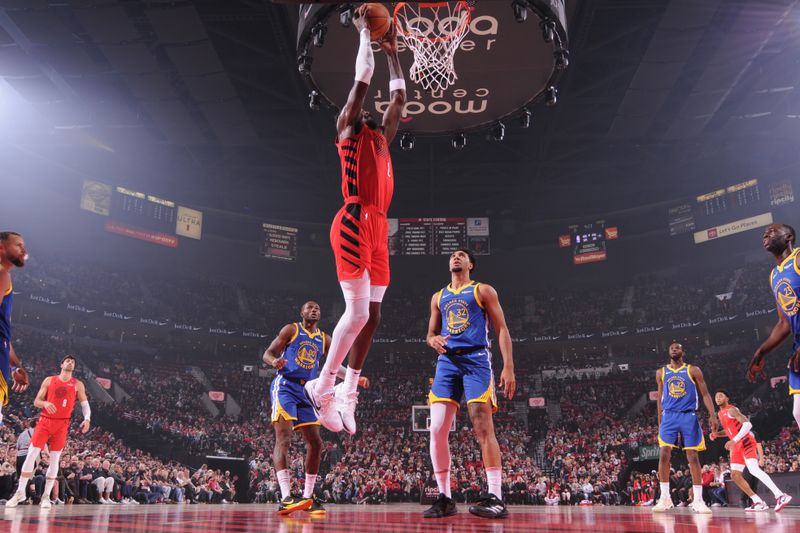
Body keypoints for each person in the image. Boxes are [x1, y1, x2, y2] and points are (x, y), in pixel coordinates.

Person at [304, 5, 405, 435]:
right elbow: (361, 82)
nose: (366, 110)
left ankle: (348, 390)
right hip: (353, 217)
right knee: (357, 312)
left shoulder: (383, 138)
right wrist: (364, 35)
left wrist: (393, 52)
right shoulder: (349, 130)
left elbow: (398, 97)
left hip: (380, 225)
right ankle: (323, 384)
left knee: (374, 316)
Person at [422, 248, 516, 519]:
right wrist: (432, 340)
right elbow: (430, 332)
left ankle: (496, 496)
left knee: (482, 425)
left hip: (476, 359)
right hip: (447, 363)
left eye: (462, 255)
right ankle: (445, 498)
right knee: (437, 428)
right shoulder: (438, 297)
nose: (456, 257)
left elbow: (501, 329)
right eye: (452, 255)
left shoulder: (483, 290)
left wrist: (508, 366)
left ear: (470, 264)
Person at [264, 301, 368, 515]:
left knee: (316, 443)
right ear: (301, 312)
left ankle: (307, 497)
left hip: (309, 391)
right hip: (285, 387)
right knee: (284, 439)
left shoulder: (324, 339)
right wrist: (274, 362)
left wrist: (353, 378)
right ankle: (285, 497)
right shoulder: (291, 329)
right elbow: (267, 353)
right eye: (310, 308)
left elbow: (334, 365)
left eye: (318, 308)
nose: (314, 310)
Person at [6, 355, 90, 509]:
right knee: (31, 455)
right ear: (62, 364)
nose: (70, 362)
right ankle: (20, 492)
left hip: (62, 424)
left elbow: (84, 404)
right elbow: (36, 401)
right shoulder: (49, 380)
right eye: (68, 360)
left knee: (54, 459)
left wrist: (87, 419)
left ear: (74, 367)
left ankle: (46, 496)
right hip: (45, 421)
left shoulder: (78, 384)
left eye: (73, 362)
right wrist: (45, 402)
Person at [652, 343, 717, 514]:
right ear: (668, 352)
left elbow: (705, 394)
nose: (674, 349)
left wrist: (713, 415)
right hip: (669, 415)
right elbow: (660, 398)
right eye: (671, 347)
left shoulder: (693, 370)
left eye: (677, 347)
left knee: (693, 457)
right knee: (664, 452)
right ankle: (665, 498)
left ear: (683, 352)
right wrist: (660, 420)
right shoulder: (661, 372)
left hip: (688, 415)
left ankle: (698, 500)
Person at [747, 224, 800, 430]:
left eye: (772, 231)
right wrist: (760, 354)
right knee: (798, 412)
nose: (766, 234)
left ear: (788, 236)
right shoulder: (774, 276)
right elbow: (784, 323)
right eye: (764, 233)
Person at [709, 389, 792, 512]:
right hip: (737, 446)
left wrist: (734, 440)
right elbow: (729, 431)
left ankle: (780, 495)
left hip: (746, 441)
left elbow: (748, 425)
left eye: (721, 396)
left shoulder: (732, 409)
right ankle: (758, 501)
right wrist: (717, 434)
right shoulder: (720, 414)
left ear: (727, 398)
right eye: (716, 397)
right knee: (735, 475)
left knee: (753, 469)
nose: (718, 398)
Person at [0, 231, 30, 420]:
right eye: (18, 245)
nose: (23, 250)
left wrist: (14, 367)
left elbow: (4, 337)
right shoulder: (2, 273)